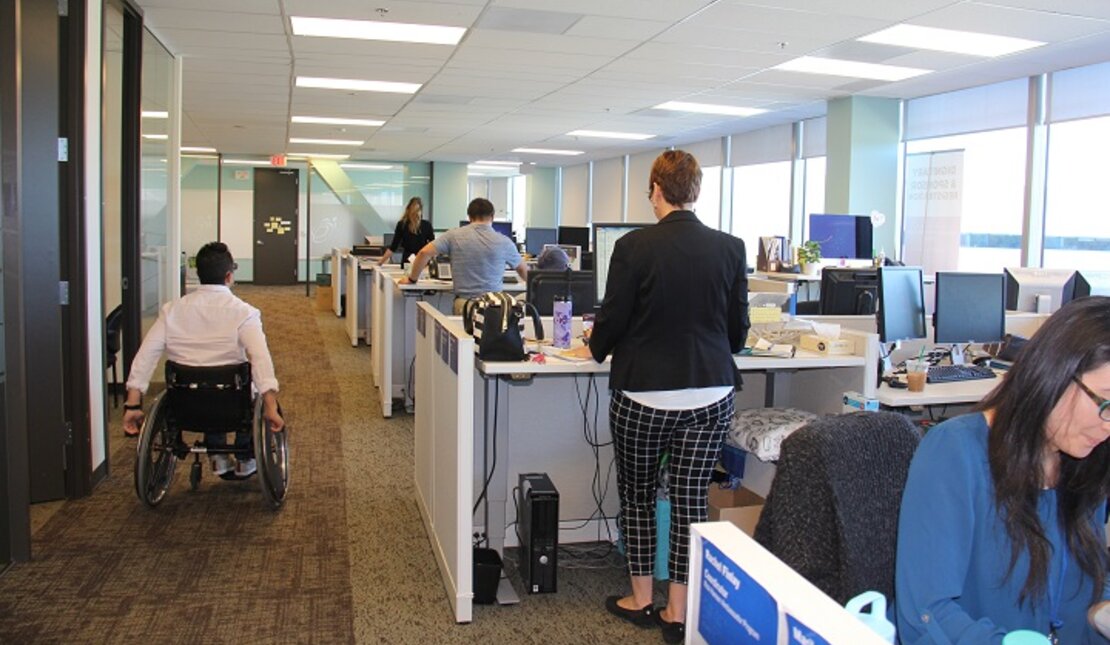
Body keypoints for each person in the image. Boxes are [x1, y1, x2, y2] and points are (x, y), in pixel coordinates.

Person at [584, 150, 749, 644]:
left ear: (657, 188)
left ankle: (641, 599)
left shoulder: (634, 246)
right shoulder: (730, 247)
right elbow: (737, 334)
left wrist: (593, 349)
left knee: (637, 496)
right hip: (711, 392)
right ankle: (678, 608)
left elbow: (612, 319)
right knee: (690, 498)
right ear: (695, 190)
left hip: (644, 397)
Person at [896, 296, 1110, 644]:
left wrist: (1101, 611)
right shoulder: (955, 453)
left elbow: (1090, 573)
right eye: (1107, 402)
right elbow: (926, 613)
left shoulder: (1087, 457)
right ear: (1056, 374)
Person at [121, 242, 284, 479]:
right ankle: (244, 457)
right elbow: (260, 359)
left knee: (203, 384)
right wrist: (270, 406)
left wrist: (133, 405)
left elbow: (146, 356)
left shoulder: (172, 311)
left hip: (185, 403)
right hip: (232, 403)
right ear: (229, 276)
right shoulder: (244, 312)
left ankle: (216, 456)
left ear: (199, 275)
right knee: (245, 388)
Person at [401, 197, 527, 314]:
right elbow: (523, 269)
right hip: (494, 307)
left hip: (465, 305)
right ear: (492, 217)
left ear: (469, 217)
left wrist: (412, 279)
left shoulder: (453, 235)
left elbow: (424, 253)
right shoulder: (504, 241)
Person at [380, 196, 434, 267]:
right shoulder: (427, 225)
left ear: (408, 209)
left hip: (407, 261)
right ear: (421, 210)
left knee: (407, 278)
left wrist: (380, 262)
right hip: (422, 260)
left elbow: (393, 247)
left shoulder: (402, 224)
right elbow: (433, 246)